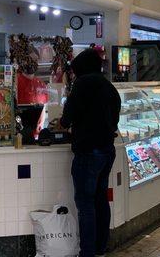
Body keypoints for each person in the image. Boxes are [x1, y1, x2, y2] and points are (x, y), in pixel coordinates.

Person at [59, 48, 121, 256]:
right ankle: (100, 247)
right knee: (100, 199)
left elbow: (68, 115)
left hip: (88, 151)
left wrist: (63, 123)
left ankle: (87, 252)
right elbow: (115, 117)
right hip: (107, 150)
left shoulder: (83, 84)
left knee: (85, 203)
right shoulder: (108, 86)